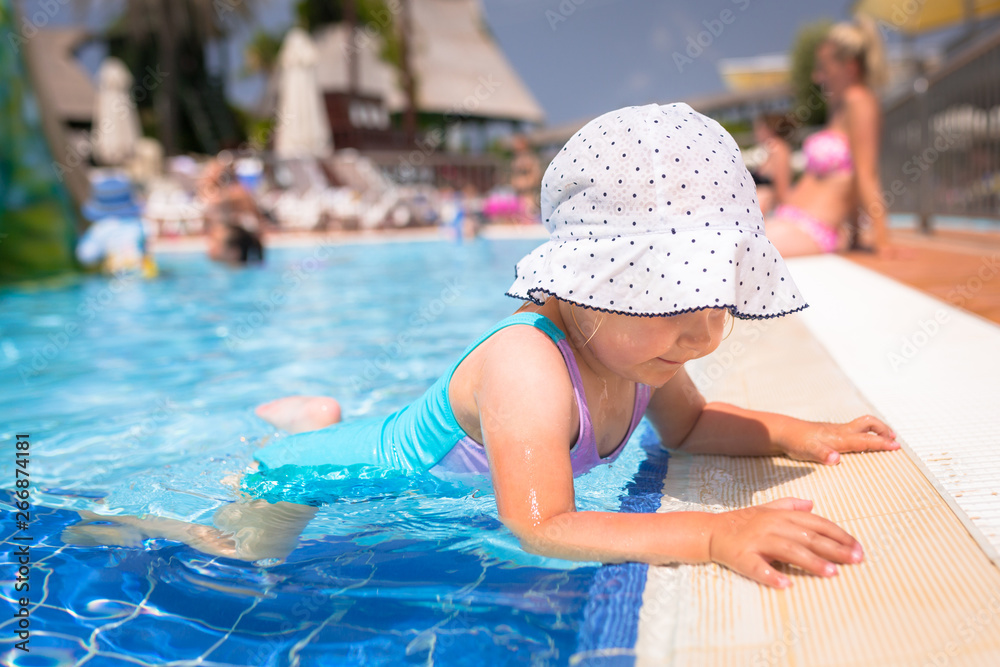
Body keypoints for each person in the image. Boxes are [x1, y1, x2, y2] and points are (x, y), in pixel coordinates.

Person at [65, 104, 899, 588]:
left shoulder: (644, 351)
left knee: (333, 430)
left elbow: (689, 428)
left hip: (391, 453)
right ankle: (127, 522)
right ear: (579, 282)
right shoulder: (528, 365)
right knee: (239, 556)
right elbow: (541, 523)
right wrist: (713, 536)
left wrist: (803, 433)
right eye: (668, 295)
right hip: (311, 483)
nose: (703, 328)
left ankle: (305, 416)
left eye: (717, 294)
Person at [766, 16, 890, 257]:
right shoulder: (840, 109)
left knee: (724, 252)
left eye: (823, 68)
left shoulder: (859, 101)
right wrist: (854, 234)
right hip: (792, 220)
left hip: (813, 228)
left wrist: (883, 240)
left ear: (850, 66)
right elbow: (850, 177)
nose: (817, 77)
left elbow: (866, 174)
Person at [75, 173, 158, 277]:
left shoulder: (100, 229)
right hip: (143, 273)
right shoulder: (141, 224)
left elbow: (85, 256)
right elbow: (149, 246)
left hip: (116, 275)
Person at [749, 112, 794, 215]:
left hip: (767, 211)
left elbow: (783, 190)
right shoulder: (770, 150)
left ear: (770, 129)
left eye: (759, 128)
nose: (756, 132)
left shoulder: (779, 150)